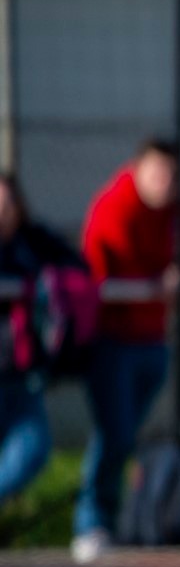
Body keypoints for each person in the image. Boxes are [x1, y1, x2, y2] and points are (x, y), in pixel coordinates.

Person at [74, 138, 180, 562]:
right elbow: (106, 265)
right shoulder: (115, 206)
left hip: (153, 341)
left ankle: (115, 521)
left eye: (172, 175)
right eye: (157, 173)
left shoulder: (179, 216)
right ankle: (91, 523)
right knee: (115, 434)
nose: (164, 183)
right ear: (138, 169)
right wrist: (158, 279)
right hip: (112, 341)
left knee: (125, 436)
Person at [0, 173, 85, 505]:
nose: (3, 213)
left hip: (22, 374)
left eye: (8, 205)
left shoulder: (33, 242)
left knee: (32, 449)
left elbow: (77, 268)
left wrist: (49, 284)